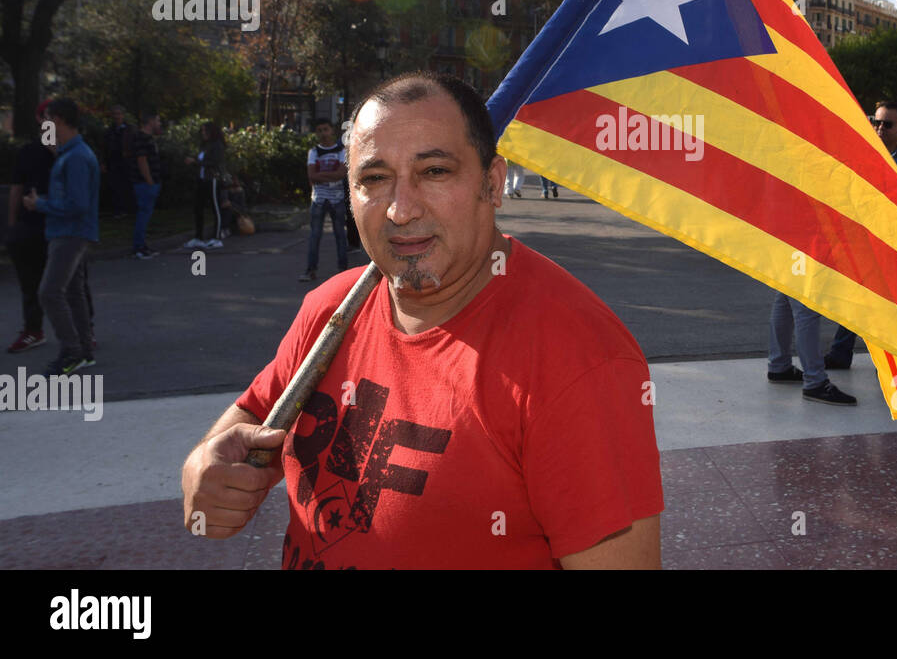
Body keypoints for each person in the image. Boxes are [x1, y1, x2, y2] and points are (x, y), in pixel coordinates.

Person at [181, 72, 663, 568]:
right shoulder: (330, 308)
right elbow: (256, 413)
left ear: (492, 184)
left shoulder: (578, 359)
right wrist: (203, 463)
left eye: (434, 171)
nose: (400, 209)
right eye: (374, 179)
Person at [825, 100, 897, 370]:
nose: (880, 128)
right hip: (864, 239)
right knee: (859, 296)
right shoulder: (862, 155)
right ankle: (840, 353)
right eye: (876, 122)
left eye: (887, 124)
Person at [23, 98, 99, 376]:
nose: (46, 125)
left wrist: (39, 204)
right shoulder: (72, 153)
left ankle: (72, 352)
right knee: (72, 292)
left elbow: (77, 204)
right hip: (72, 232)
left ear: (60, 120)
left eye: (49, 119)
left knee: (50, 292)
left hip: (69, 234)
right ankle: (83, 352)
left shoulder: (76, 156)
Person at [6, 102, 56, 353]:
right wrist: (12, 225)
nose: (52, 121)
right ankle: (33, 330)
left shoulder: (73, 151)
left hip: (61, 227)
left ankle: (84, 330)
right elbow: (16, 187)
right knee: (30, 282)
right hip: (30, 226)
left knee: (72, 282)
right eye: (48, 116)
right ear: (39, 118)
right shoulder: (27, 152)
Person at [300, 118, 349, 283]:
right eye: (319, 130)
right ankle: (310, 269)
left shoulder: (342, 151)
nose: (323, 133)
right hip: (319, 200)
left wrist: (320, 176)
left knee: (340, 235)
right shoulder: (313, 151)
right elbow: (311, 176)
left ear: (332, 130)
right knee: (315, 236)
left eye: (325, 129)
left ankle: (343, 270)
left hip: (337, 199)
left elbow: (342, 173)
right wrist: (330, 175)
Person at [185, 122, 226, 249]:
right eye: (202, 131)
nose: (203, 134)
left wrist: (196, 162)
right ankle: (198, 237)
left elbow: (213, 162)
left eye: (205, 131)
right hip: (202, 179)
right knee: (198, 208)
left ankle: (217, 237)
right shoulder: (205, 145)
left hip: (212, 179)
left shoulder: (217, 145)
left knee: (215, 208)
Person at [130, 113, 163, 259]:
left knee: (146, 214)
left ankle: (142, 244)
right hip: (145, 183)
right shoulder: (141, 138)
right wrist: (149, 181)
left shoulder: (150, 138)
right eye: (157, 120)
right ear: (150, 121)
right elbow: (142, 160)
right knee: (143, 214)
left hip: (153, 181)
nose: (159, 123)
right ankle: (139, 246)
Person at [104, 104, 135, 216]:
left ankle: (129, 209)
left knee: (127, 185)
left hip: (126, 161)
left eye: (119, 114)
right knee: (116, 186)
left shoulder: (129, 129)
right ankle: (118, 209)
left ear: (123, 115)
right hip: (114, 161)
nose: (117, 116)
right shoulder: (109, 131)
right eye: (115, 114)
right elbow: (105, 146)